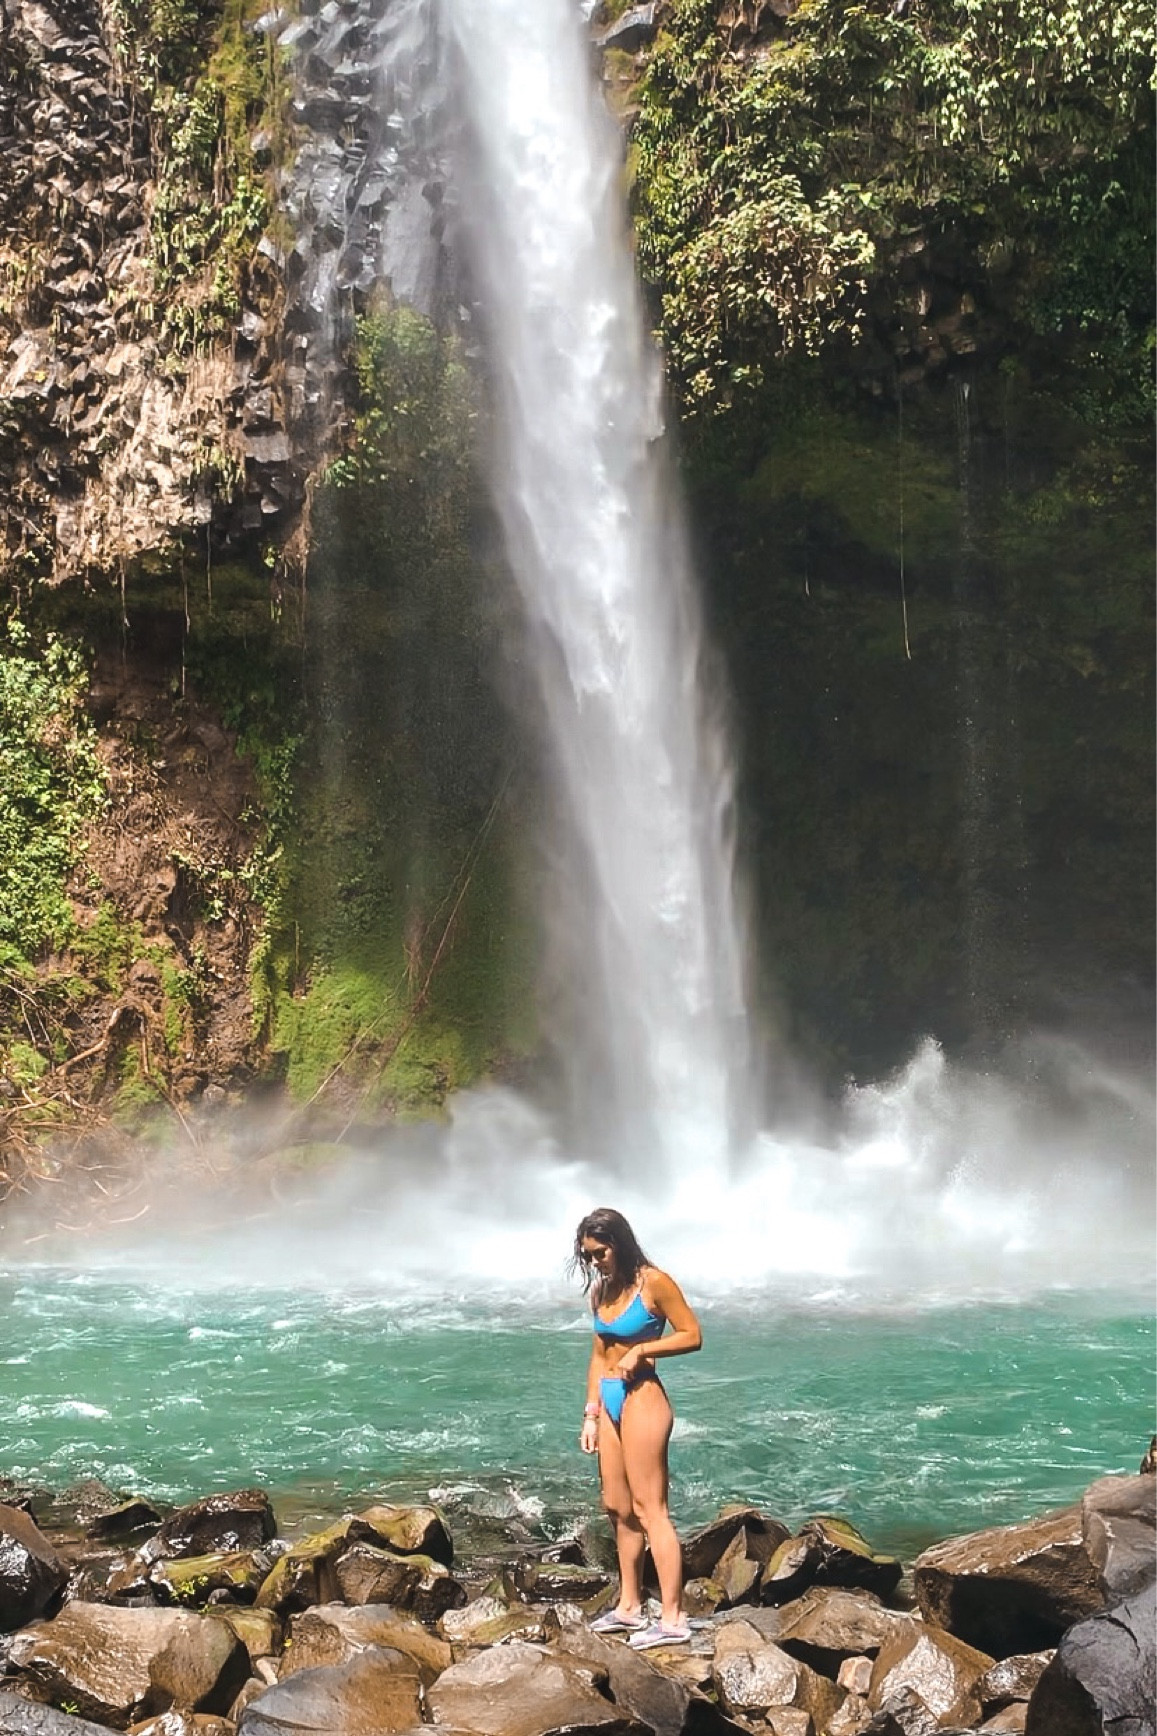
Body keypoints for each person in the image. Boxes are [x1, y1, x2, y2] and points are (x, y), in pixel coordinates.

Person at [572, 1206, 702, 1648]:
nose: (594, 1261)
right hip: (607, 1401)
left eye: (600, 1252)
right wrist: (590, 1413)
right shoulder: (601, 1290)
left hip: (643, 1398)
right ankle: (629, 1607)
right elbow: (597, 1354)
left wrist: (645, 1350)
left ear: (620, 1244)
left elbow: (692, 1334)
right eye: (587, 1255)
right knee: (617, 1507)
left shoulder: (655, 1283)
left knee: (651, 1509)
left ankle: (673, 1617)